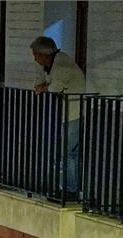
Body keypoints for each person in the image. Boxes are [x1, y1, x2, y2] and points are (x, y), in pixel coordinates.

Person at [31, 35, 86, 194]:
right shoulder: (51, 65)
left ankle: (70, 190)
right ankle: (69, 188)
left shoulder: (61, 64)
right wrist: (43, 82)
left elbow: (54, 87)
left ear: (44, 53)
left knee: (68, 152)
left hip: (73, 114)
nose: (35, 59)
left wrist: (45, 87)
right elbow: (37, 85)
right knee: (67, 152)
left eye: (36, 54)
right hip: (66, 114)